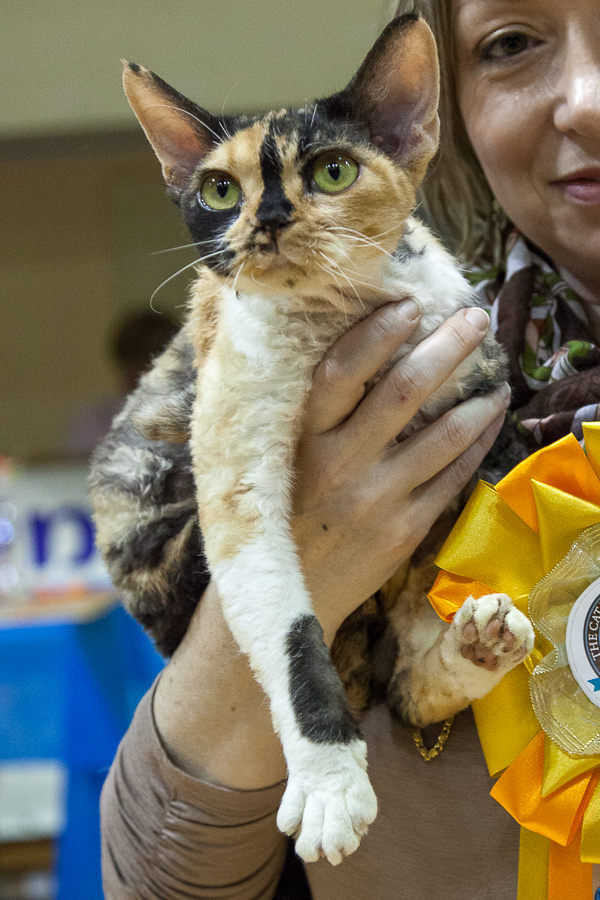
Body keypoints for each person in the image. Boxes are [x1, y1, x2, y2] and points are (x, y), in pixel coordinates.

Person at [98, 0, 600, 897]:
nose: (587, 101)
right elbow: (154, 885)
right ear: (441, 106)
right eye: (512, 43)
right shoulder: (298, 373)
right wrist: (314, 557)